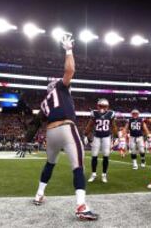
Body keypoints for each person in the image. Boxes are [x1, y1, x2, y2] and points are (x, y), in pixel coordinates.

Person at [25, 35, 98, 221]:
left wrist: (28, 136)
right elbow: (70, 69)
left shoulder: (44, 102)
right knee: (78, 167)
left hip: (51, 133)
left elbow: (34, 125)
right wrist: (68, 49)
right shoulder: (61, 87)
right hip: (66, 128)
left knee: (50, 164)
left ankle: (39, 194)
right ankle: (81, 206)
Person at [83, 98, 118, 183]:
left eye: (104, 106)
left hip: (106, 136)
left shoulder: (111, 114)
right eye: (101, 106)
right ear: (97, 106)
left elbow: (113, 126)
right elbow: (90, 125)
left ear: (107, 107)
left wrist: (116, 137)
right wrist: (85, 135)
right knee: (94, 155)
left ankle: (104, 174)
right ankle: (94, 174)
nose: (102, 108)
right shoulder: (94, 113)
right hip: (97, 137)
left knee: (106, 155)